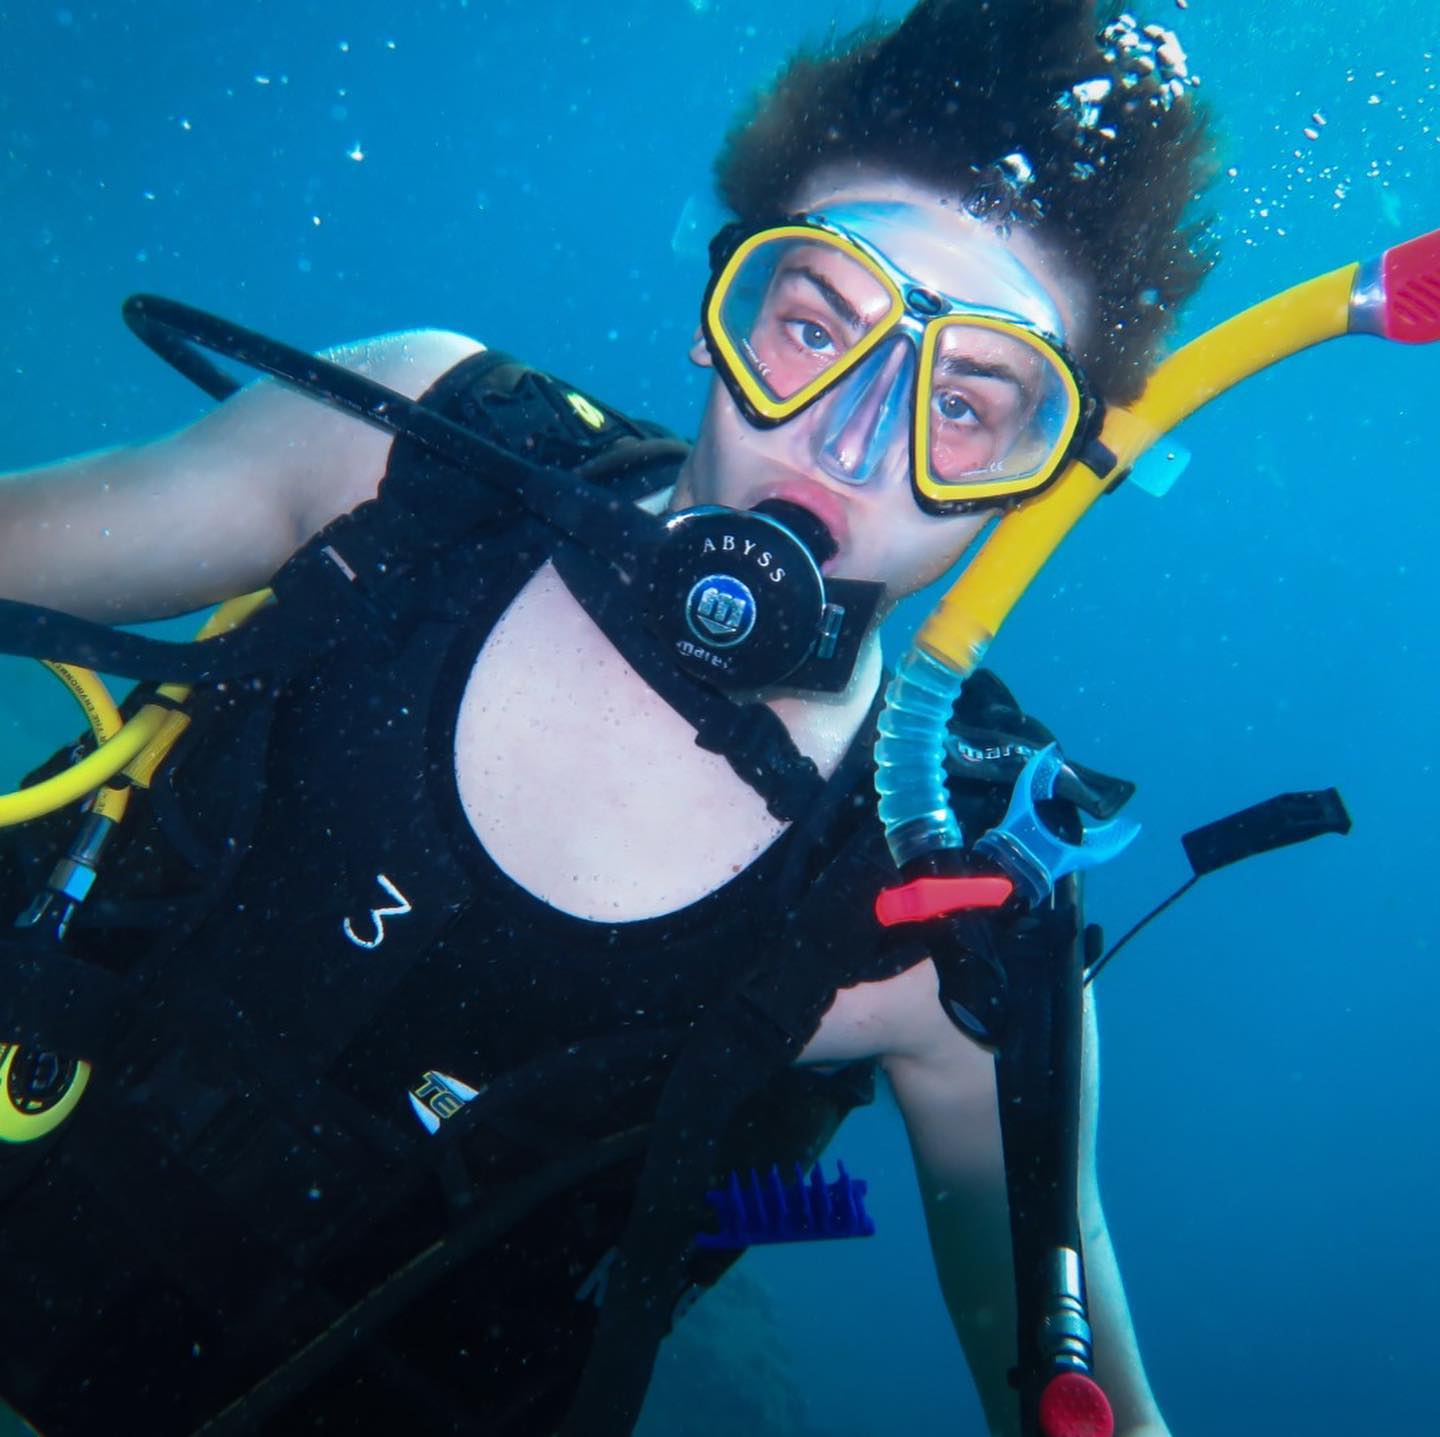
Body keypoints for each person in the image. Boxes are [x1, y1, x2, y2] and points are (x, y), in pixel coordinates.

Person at [0, 1, 1214, 1433]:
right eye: (816, 322)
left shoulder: (949, 906)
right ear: (722, 318)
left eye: (967, 402)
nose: (845, 435)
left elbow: (1084, 1401)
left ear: (1036, 475)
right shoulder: (409, 450)